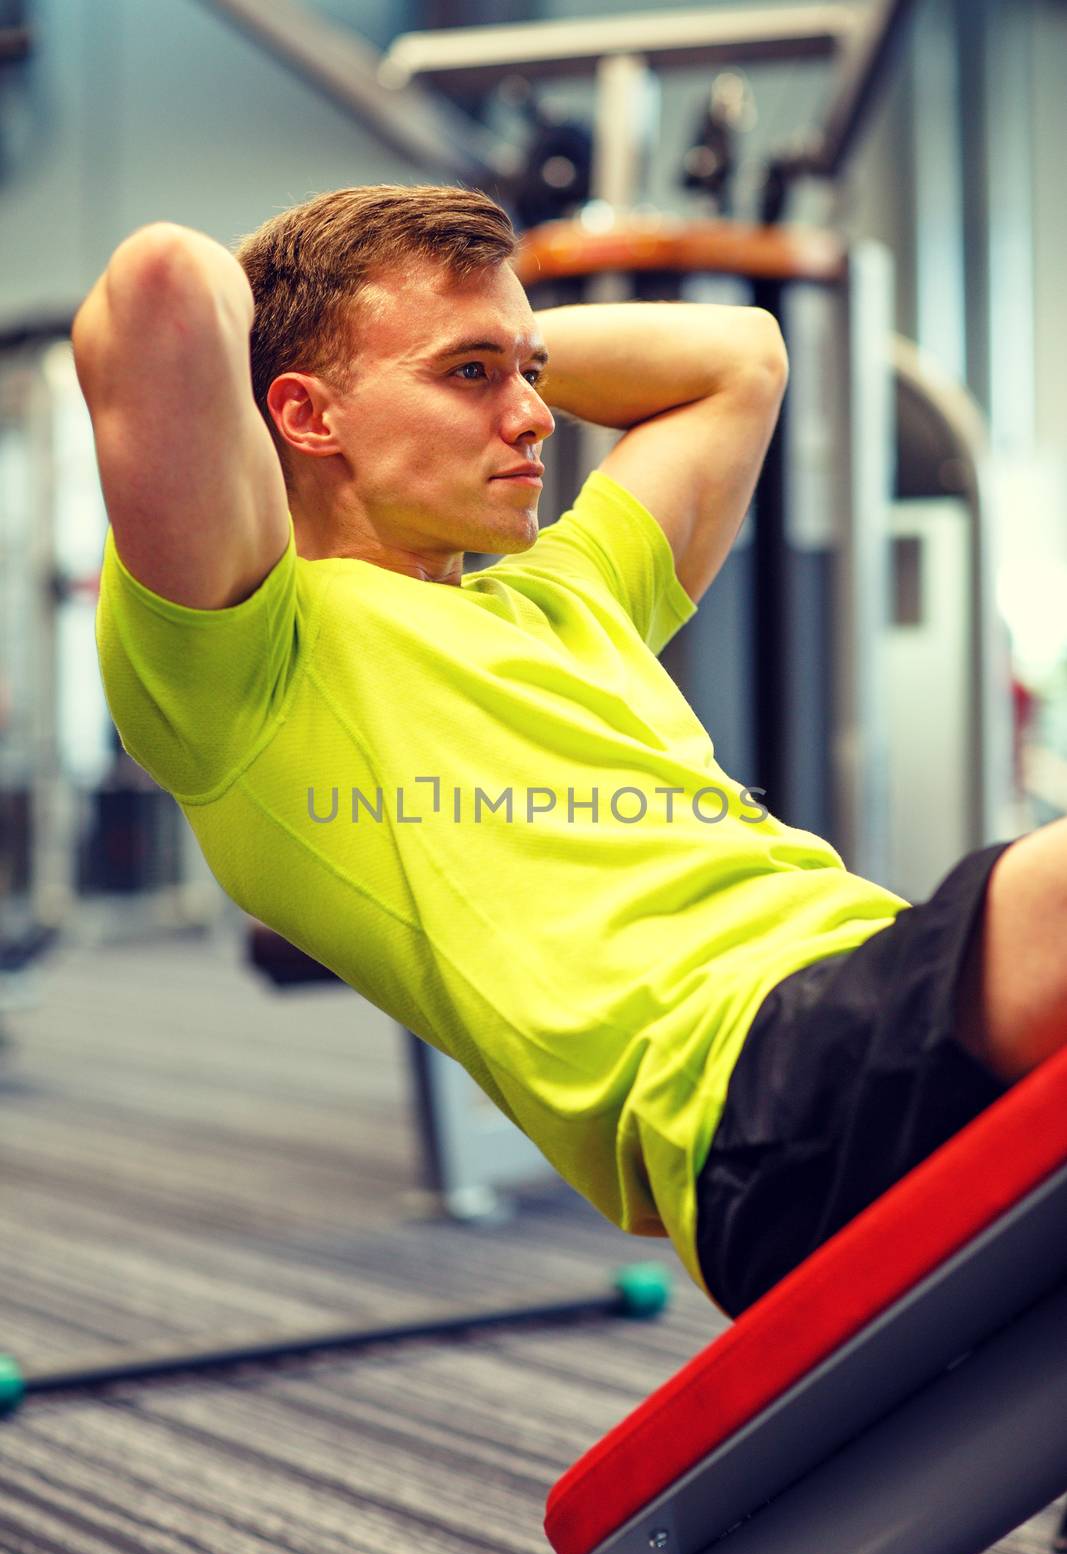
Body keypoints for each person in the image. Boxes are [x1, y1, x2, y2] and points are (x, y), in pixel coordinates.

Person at [75, 184, 1067, 1319]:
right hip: (752, 1087)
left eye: (530, 374)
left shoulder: (573, 594)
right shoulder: (253, 663)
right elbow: (165, 282)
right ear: (304, 415)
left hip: (869, 985)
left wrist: (484, 341)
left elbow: (741, 355)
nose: (535, 414)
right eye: (471, 377)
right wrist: (332, 326)